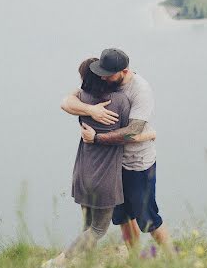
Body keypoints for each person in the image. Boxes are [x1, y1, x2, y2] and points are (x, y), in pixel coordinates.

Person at [42, 57, 155, 268]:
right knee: (97, 229)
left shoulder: (83, 99)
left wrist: (89, 110)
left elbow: (67, 101)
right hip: (104, 177)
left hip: (82, 172)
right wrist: (150, 134)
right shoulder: (120, 102)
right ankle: (57, 264)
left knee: (87, 227)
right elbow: (131, 132)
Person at [61, 48, 172, 250]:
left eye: (108, 74)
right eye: (101, 72)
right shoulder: (105, 83)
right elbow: (66, 101)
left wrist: (97, 138)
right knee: (122, 217)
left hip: (138, 164)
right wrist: (90, 110)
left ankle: (175, 262)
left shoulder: (140, 90)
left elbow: (132, 131)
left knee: (148, 218)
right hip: (114, 166)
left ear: (124, 71)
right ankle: (135, 260)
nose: (103, 77)